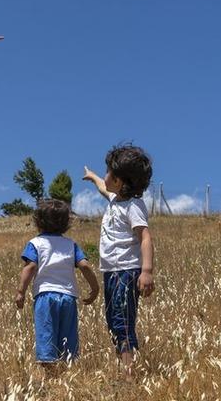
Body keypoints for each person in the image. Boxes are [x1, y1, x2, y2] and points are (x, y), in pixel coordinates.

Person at [82, 143, 155, 379]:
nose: (106, 176)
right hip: (111, 272)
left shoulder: (133, 207)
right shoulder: (116, 199)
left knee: (122, 323)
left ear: (121, 182)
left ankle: (129, 374)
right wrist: (92, 176)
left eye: (110, 172)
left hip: (126, 272)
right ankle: (125, 367)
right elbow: (104, 188)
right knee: (114, 323)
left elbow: (145, 237)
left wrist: (146, 271)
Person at [14, 199, 99, 376]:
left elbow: (29, 267)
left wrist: (20, 291)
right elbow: (84, 266)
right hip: (68, 297)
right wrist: (95, 287)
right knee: (67, 339)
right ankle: (66, 376)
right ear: (65, 223)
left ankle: (51, 377)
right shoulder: (71, 245)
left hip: (45, 297)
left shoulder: (35, 244)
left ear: (39, 221)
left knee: (46, 336)